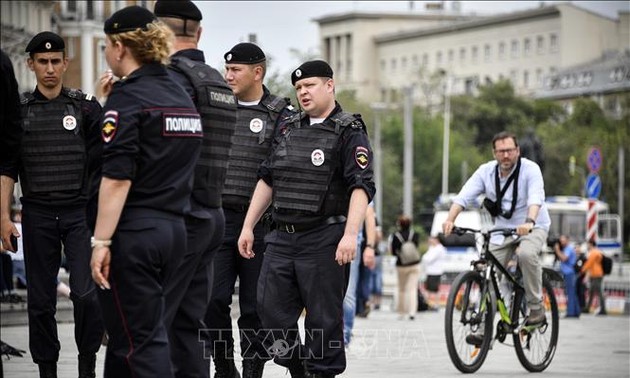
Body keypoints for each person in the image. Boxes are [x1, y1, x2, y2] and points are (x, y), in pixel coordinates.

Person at [237, 60, 375, 378]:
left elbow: (361, 187)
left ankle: (319, 371)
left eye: (310, 85)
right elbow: (267, 179)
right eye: (298, 88)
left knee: (323, 321)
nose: (303, 92)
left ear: (330, 85)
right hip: (281, 237)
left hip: (324, 238)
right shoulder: (288, 127)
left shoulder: (348, 131)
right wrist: (247, 225)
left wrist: (349, 235)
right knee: (268, 314)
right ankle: (299, 366)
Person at [89, 6, 202, 377]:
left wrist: (101, 242)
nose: (107, 52)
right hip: (174, 230)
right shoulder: (179, 93)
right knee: (126, 341)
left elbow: (117, 177)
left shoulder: (129, 98)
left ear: (120, 47)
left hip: (135, 234)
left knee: (142, 342)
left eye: (107, 45)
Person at [0, 32, 104, 378]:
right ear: (30, 65)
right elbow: (7, 168)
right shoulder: (19, 113)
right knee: (40, 302)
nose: (49, 68)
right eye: (42, 62)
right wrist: (3, 217)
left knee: (86, 294)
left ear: (65, 63)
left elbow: (103, 167)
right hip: (37, 213)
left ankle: (87, 366)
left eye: (55, 61)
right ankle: (47, 370)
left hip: (78, 213)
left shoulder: (86, 108)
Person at [153, 2, 238, 377]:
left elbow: (161, 151)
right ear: (198, 33)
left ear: (157, 32)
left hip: (178, 217)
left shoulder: (170, 79)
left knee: (156, 326)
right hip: (211, 216)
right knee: (190, 327)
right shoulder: (217, 81)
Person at [201, 42, 293, 378]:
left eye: (235, 70)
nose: (228, 76)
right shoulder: (215, 108)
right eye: (226, 69)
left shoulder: (282, 114)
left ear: (257, 72)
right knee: (212, 300)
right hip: (219, 219)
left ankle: (253, 370)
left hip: (262, 226)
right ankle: (224, 365)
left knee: (256, 307)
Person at [443, 131, 551, 345]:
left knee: (526, 254)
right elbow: (464, 196)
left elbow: (536, 197)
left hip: (533, 224)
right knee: (487, 274)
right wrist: (450, 219)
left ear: (518, 151)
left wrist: (529, 221)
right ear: (494, 153)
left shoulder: (530, 170)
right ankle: (484, 329)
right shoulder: (486, 172)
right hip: (501, 230)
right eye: (501, 151)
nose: (505, 155)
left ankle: (536, 309)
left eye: (510, 150)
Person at [342, 203, 376, 347]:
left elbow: (369, 216)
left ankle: (345, 335)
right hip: (327, 238)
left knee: (348, 291)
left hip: (352, 240)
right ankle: (335, 334)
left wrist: (370, 247)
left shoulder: (357, 182)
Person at [390, 215, 421, 320]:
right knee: (412, 289)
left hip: (401, 265)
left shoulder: (396, 236)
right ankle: (412, 312)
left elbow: (394, 252)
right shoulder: (415, 234)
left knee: (402, 289)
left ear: (399, 224)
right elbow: (416, 247)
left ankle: (401, 312)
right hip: (414, 264)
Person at [355, 204, 377, 318]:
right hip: (364, 249)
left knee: (357, 282)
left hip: (361, 249)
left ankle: (361, 306)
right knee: (364, 281)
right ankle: (364, 303)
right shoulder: (371, 217)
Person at [554, 235, 580, 318]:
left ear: (567, 240)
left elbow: (564, 258)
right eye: (561, 241)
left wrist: (557, 250)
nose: (561, 242)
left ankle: (571, 312)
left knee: (570, 293)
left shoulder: (568, 248)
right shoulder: (566, 248)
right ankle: (576, 311)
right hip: (568, 273)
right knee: (572, 293)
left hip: (569, 273)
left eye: (563, 241)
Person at [581, 239, 607, 315]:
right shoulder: (597, 251)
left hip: (596, 274)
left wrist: (582, 270)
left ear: (591, 244)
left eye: (588, 244)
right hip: (595, 274)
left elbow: (589, 263)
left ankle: (603, 309)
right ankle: (587, 308)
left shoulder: (594, 252)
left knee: (599, 292)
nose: (587, 246)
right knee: (591, 292)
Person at [421, 235, 446, 310]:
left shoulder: (439, 249)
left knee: (435, 289)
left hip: (435, 271)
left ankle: (436, 304)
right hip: (429, 271)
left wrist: (425, 258)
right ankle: (427, 303)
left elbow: (428, 259)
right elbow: (425, 257)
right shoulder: (432, 248)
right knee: (427, 288)